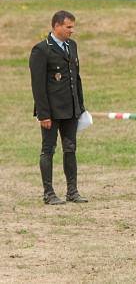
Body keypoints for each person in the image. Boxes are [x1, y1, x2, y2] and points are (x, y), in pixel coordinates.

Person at [29, 11, 88, 205]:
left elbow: (75, 78)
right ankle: (49, 193)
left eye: (73, 26)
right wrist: (43, 114)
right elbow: (38, 86)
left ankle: (72, 191)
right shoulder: (41, 50)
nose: (72, 30)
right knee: (48, 150)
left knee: (70, 149)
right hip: (51, 111)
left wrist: (80, 106)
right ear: (56, 26)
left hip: (70, 109)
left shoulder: (72, 46)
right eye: (68, 27)